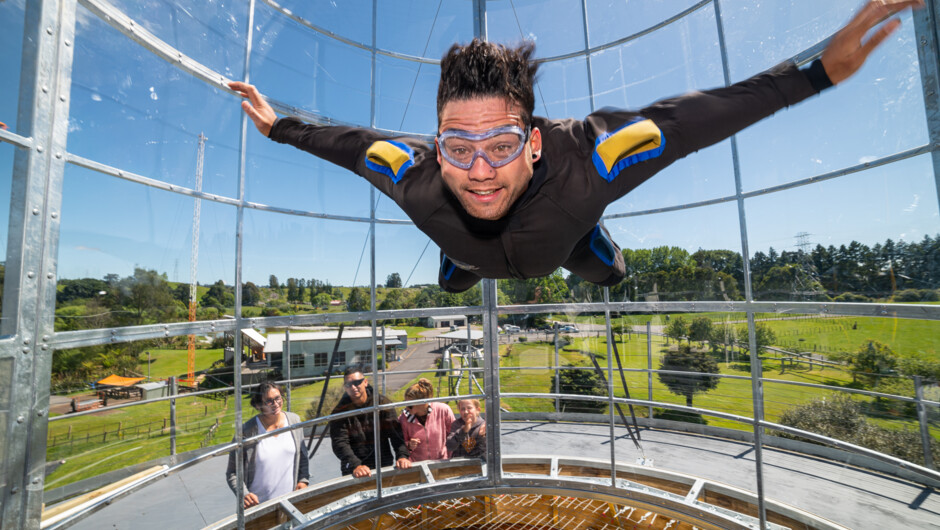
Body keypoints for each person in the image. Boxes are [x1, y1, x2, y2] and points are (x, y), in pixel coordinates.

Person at [230, 0, 921, 293]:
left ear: (533, 143)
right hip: (470, 251)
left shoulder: (588, 161)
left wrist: (817, 74)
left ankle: (586, 242)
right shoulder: (413, 171)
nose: (477, 170)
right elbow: (349, 144)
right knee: (457, 272)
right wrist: (277, 125)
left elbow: (688, 121)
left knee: (609, 272)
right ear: (436, 144)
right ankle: (460, 261)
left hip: (565, 234)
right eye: (457, 147)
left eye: (499, 144)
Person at [226, 382, 309, 508]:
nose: (275, 404)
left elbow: (302, 456)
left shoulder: (294, 421)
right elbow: (232, 472)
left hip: (290, 503)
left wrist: (303, 480)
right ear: (259, 405)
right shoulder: (246, 432)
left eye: (278, 398)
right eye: (269, 401)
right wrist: (244, 494)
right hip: (258, 506)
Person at [330, 366, 412, 477]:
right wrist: (356, 465)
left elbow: (395, 434)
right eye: (349, 385)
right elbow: (340, 442)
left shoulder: (382, 404)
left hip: (382, 463)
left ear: (365, 382)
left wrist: (402, 456)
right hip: (354, 471)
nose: (353, 387)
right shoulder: (339, 412)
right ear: (345, 388)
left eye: (357, 382)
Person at [398, 378, 455, 462]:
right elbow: (401, 443)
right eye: (405, 403)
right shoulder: (403, 418)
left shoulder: (443, 410)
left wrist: (450, 456)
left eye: (409, 405)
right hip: (418, 465)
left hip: (442, 461)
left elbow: (454, 433)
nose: (406, 407)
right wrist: (409, 445)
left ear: (422, 403)